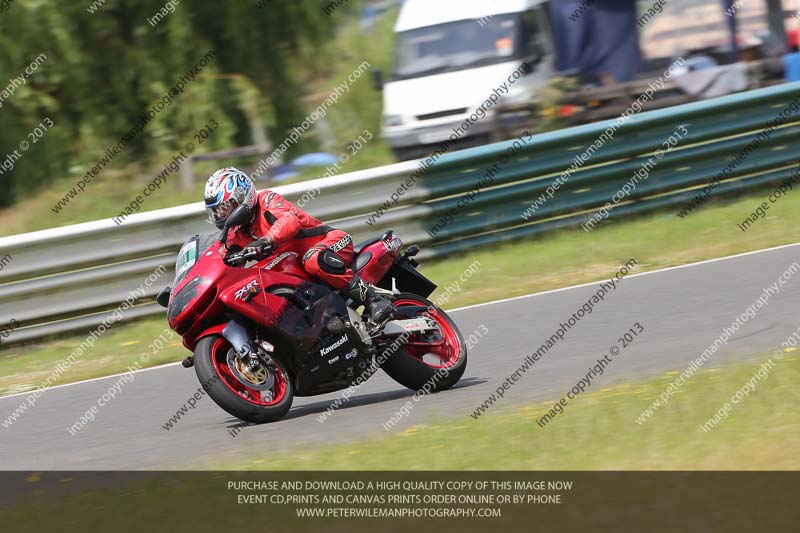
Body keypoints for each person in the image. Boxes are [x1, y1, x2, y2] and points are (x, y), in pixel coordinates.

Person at [203, 167, 393, 324]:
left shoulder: (267, 201)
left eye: (224, 208)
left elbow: (289, 221)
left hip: (330, 242)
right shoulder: (237, 233)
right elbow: (221, 255)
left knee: (313, 259)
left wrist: (267, 240)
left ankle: (373, 300)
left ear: (241, 196)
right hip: (295, 267)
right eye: (216, 212)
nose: (221, 215)